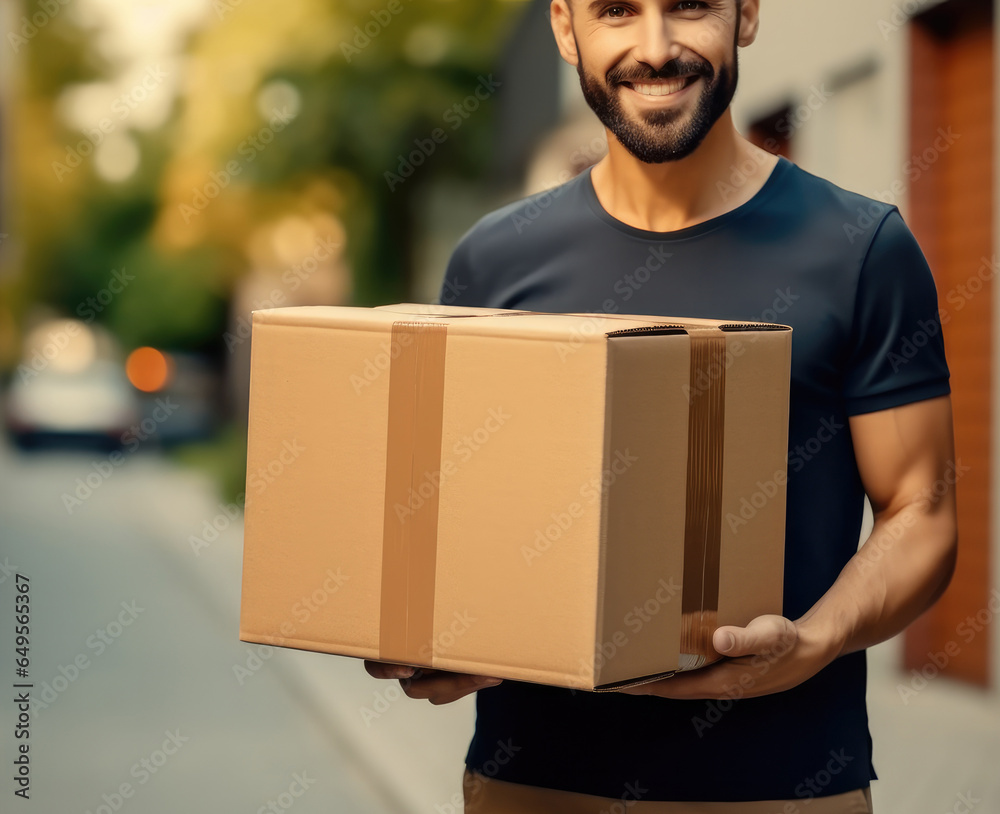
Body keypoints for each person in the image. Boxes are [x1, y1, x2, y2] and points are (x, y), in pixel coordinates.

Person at [366, 1, 959, 811]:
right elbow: (463, 525)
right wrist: (428, 636)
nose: (655, 49)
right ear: (566, 27)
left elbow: (920, 510)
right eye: (616, 10)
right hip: (534, 784)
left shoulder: (860, 249)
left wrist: (811, 644)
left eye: (690, 7)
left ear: (747, 14)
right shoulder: (494, 262)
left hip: (785, 785)